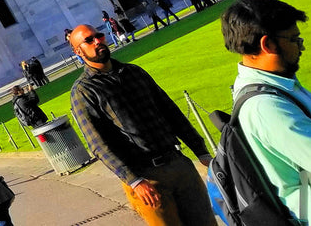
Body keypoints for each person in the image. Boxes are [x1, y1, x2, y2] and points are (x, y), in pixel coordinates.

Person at [66, 23, 215, 226]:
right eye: (89, 40)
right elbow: (98, 144)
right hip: (146, 178)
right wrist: (134, 181)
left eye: (99, 36)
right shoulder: (84, 91)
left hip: (177, 164)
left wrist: (201, 151)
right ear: (78, 51)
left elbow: (170, 111)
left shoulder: (133, 72)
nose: (97, 41)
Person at [221, 0, 311, 222]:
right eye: (294, 39)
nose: (301, 47)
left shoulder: (277, 84)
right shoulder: (266, 107)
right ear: (268, 44)